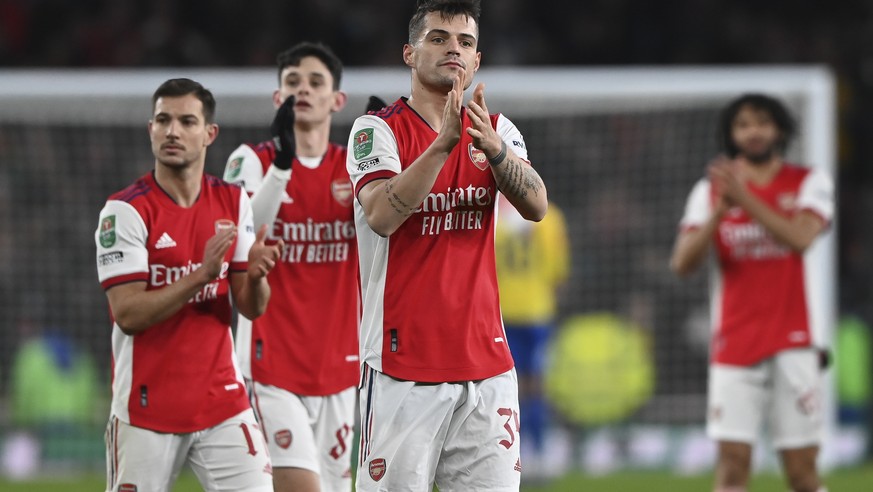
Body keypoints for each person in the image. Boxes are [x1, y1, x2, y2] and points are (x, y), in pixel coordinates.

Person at [346, 0, 548, 489]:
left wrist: (493, 150)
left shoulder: (497, 131)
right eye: (438, 38)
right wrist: (443, 144)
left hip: (488, 366)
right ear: (410, 54)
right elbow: (381, 215)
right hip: (402, 366)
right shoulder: (376, 130)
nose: (453, 49)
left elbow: (537, 204)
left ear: (476, 61)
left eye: (465, 42)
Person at [94, 78, 282, 492]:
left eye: (186, 121)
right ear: (150, 129)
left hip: (222, 403)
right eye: (163, 120)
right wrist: (201, 273)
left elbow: (251, 307)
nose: (172, 131)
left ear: (209, 134)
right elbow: (127, 314)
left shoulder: (233, 201)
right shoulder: (125, 211)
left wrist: (258, 275)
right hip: (147, 408)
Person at [670, 93, 834, 492]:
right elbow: (682, 265)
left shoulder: (808, 181)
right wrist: (719, 213)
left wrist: (745, 199)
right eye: (743, 124)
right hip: (735, 343)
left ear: (780, 128)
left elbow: (800, 238)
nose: (753, 132)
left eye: (762, 122)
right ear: (731, 134)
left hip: (793, 341)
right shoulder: (709, 192)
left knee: (801, 472)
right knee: (731, 467)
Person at [223, 42, 363, 492]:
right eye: (292, 82)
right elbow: (242, 237)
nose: (303, 89)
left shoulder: (356, 167)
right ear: (277, 97)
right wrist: (283, 164)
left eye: (315, 82)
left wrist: (392, 158)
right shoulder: (251, 161)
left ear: (336, 101)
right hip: (271, 366)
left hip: (341, 368)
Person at [494, 194, 570, 477]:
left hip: (502, 312)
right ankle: (539, 452)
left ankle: (514, 452)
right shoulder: (551, 217)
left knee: (508, 387)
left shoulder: (493, 213)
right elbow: (559, 271)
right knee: (536, 385)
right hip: (539, 312)